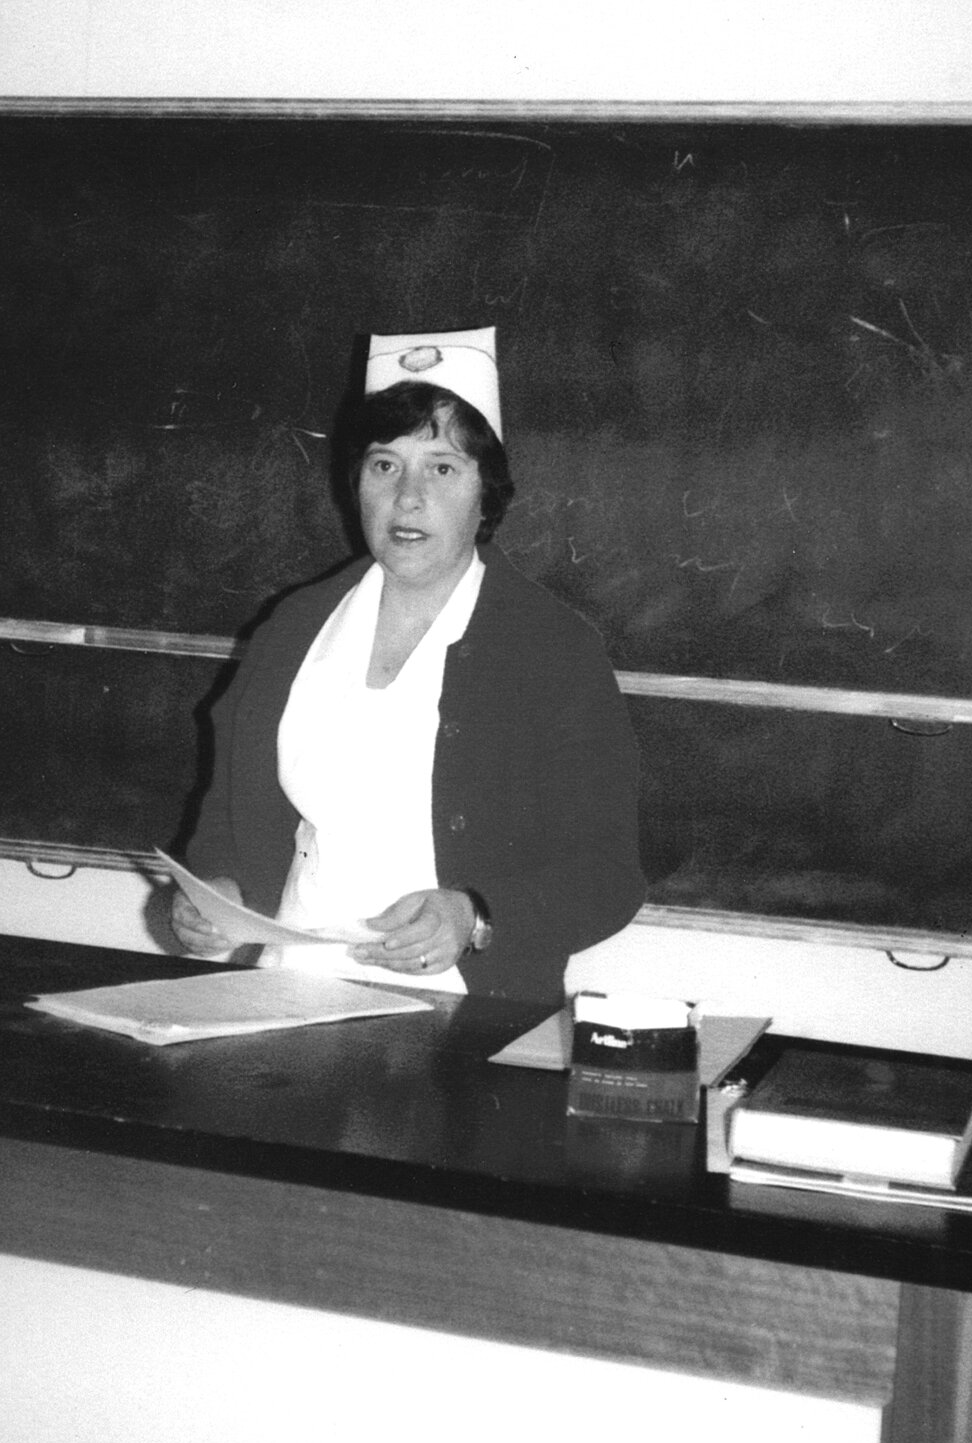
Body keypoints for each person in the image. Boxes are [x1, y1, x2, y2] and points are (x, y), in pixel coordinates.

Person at [171, 326, 645, 1003]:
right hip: (286, 994)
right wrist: (216, 890)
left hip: (462, 1011)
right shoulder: (296, 626)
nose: (408, 496)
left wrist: (473, 916)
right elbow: (226, 813)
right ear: (355, 484)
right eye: (384, 465)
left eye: (443, 468)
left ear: (488, 494)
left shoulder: (552, 648)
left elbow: (608, 875)